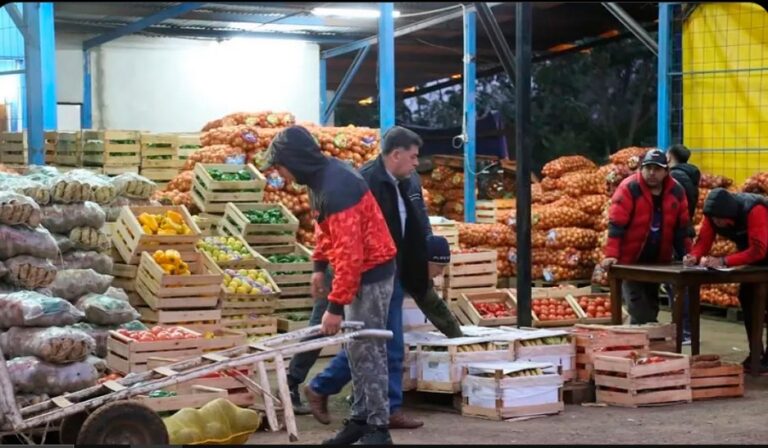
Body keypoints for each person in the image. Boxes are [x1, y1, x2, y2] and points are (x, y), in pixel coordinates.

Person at [302, 126, 463, 430]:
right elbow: (333, 230)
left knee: (382, 342)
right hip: (368, 274)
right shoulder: (365, 181)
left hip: (396, 271)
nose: (417, 163)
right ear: (396, 154)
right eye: (413, 156)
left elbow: (418, 221)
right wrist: (321, 269)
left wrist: (427, 252)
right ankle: (338, 394)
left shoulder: (407, 180)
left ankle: (371, 403)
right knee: (374, 342)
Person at [262, 125, 397, 445]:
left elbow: (351, 255)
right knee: (355, 350)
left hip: (372, 273)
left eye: (279, 166)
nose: (280, 173)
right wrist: (319, 266)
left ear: (293, 160)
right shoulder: (319, 180)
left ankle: (379, 428)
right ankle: (361, 421)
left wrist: (335, 307)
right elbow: (325, 229)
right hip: (356, 271)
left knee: (369, 352)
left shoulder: (339, 187)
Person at [602, 149, 692, 324]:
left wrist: (688, 254)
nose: (652, 173)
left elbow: (682, 228)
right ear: (641, 169)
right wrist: (612, 254)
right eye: (648, 168)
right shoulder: (629, 188)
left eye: (657, 169)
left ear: (666, 171)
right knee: (638, 306)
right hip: (630, 259)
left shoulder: (676, 191)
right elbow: (616, 224)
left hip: (658, 260)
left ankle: (642, 342)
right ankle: (648, 336)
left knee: (651, 303)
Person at [683, 188, 768, 373]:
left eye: (720, 220)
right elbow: (704, 241)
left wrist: (725, 261)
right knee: (747, 296)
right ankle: (757, 353)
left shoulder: (754, 209)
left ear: (729, 214)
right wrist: (694, 256)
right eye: (713, 219)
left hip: (761, 250)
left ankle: (762, 357)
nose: (717, 223)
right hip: (756, 261)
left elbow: (758, 249)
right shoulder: (713, 214)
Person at [666, 144, 701, 345]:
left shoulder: (675, 179)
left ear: (670, 157)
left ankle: (685, 330)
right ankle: (683, 328)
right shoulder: (689, 177)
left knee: (678, 283)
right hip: (683, 234)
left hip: (676, 235)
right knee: (679, 282)